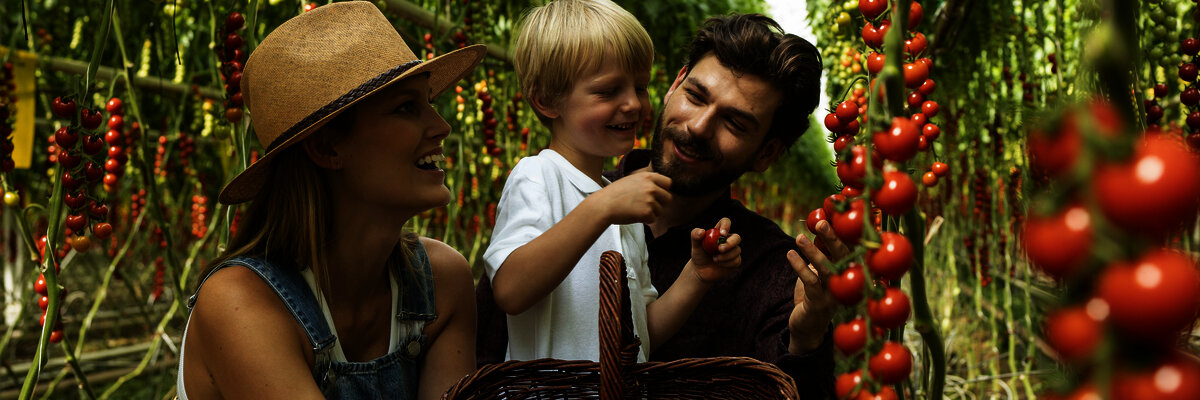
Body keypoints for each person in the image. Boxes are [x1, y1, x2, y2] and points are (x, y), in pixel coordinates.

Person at [478, 13, 839, 398]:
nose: (698, 126)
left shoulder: (774, 270)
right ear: (675, 85)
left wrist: (805, 339)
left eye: (734, 123)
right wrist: (603, 206)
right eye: (696, 96)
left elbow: (640, 331)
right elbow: (500, 310)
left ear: (766, 153)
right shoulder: (551, 187)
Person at [177, 2, 485, 399]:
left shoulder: (442, 281)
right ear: (327, 146)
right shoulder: (240, 301)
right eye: (407, 107)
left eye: (430, 102)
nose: (441, 127)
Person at [483, 0, 743, 363]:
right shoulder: (539, 176)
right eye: (608, 91)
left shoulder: (619, 205)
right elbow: (510, 290)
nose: (634, 104)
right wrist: (602, 208)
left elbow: (641, 333)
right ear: (547, 100)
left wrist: (696, 276)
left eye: (640, 87)